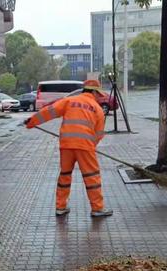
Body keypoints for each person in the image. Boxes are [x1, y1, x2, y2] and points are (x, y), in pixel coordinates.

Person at [24, 79, 113, 217]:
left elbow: (50, 111)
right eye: (98, 94)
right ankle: (97, 208)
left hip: (66, 145)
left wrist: (32, 121)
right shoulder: (98, 109)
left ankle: (60, 207)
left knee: (65, 175)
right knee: (91, 176)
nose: (99, 97)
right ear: (94, 91)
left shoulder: (69, 101)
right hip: (85, 146)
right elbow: (99, 134)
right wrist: (91, 146)